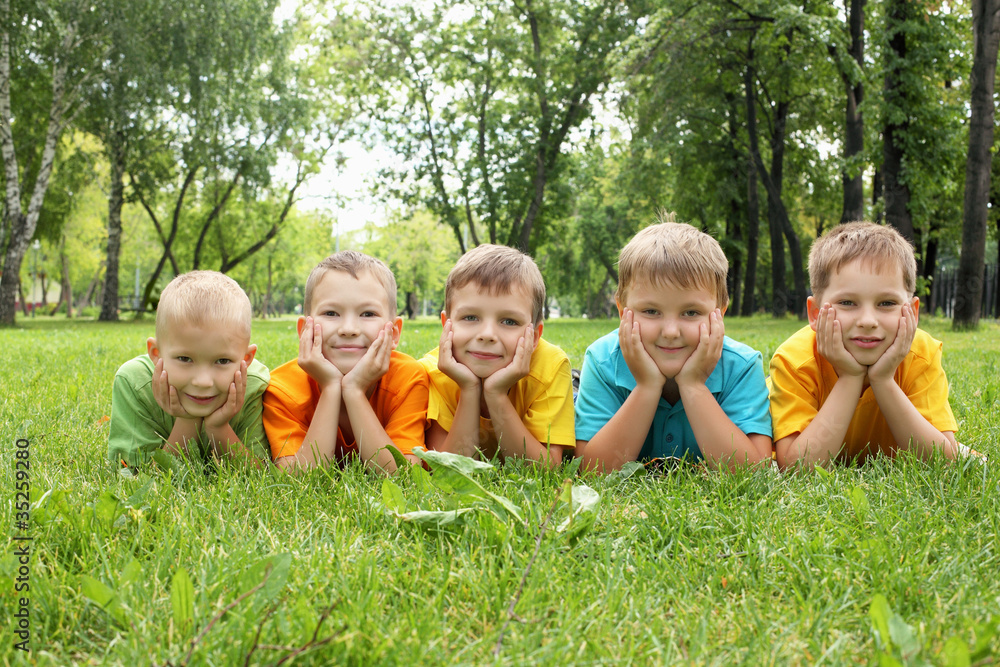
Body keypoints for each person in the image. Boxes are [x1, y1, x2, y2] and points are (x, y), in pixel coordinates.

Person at [575, 217, 773, 472]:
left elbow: (754, 473)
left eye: (690, 313)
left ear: (720, 314)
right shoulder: (602, 360)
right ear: (623, 312)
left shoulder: (742, 365)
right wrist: (647, 386)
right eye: (651, 311)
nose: (670, 332)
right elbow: (593, 471)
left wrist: (693, 385)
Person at [770, 221, 962, 468]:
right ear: (815, 314)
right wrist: (850, 377)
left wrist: (883, 380)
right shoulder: (794, 360)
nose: (868, 321)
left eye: (886, 303)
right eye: (848, 303)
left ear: (912, 313)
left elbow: (942, 464)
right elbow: (798, 469)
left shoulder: (921, 354)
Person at [263, 251, 428, 473]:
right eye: (331, 313)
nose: (348, 329)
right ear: (304, 329)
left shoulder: (408, 378)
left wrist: (354, 390)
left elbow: (402, 475)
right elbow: (298, 480)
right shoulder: (282, 389)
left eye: (368, 314)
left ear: (395, 333)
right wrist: (331, 387)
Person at [421, 244, 573, 467]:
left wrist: (496, 394)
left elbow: (545, 470)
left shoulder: (551, 365)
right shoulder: (432, 372)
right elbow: (444, 469)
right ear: (446, 325)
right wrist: (469, 389)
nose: (487, 335)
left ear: (533, 336)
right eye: (471, 317)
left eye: (509, 321)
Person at [108, 271, 269, 469]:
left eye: (222, 361)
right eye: (185, 359)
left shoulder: (253, 385)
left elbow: (260, 474)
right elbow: (136, 475)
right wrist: (187, 421)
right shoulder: (134, 383)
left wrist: (218, 427)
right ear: (156, 353)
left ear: (246, 359)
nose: (203, 381)